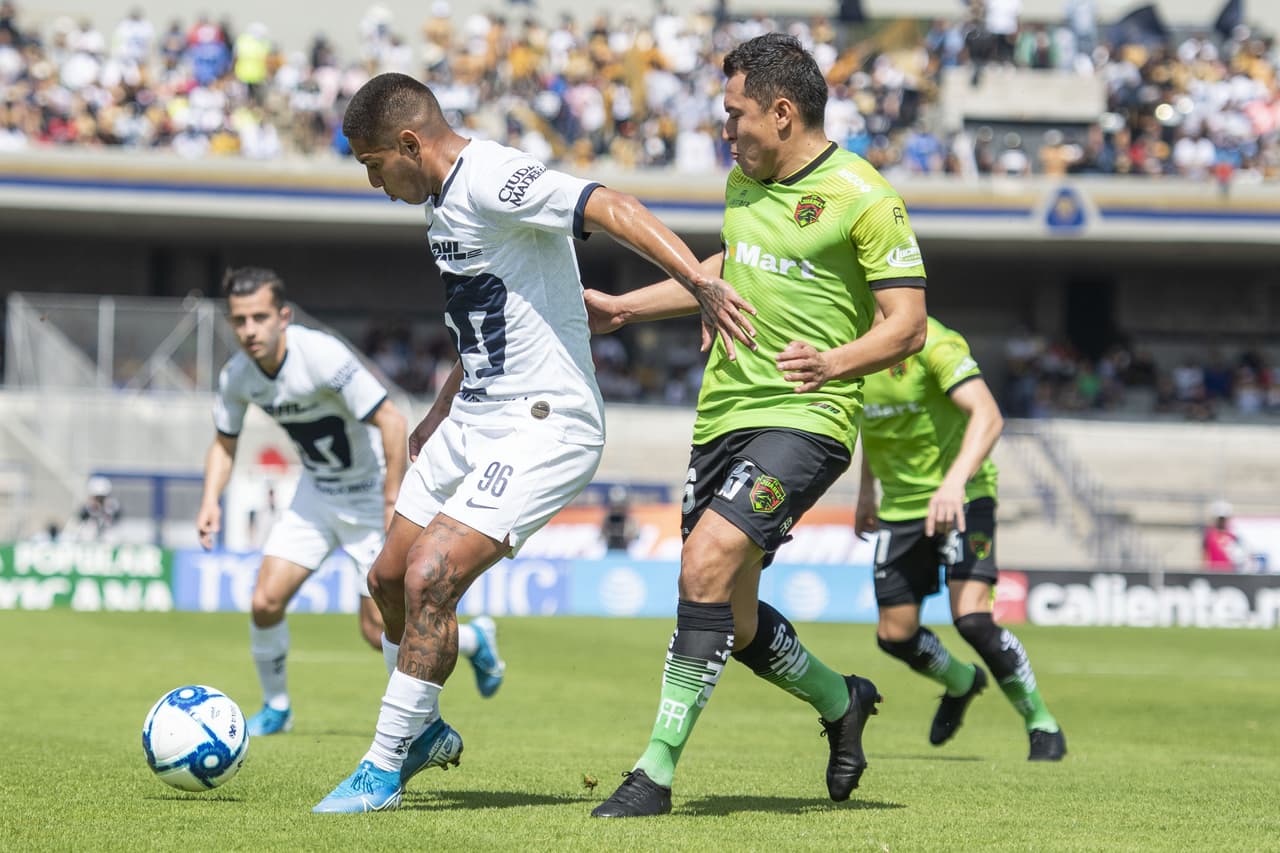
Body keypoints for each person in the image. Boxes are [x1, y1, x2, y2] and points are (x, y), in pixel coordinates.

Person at [312, 72, 753, 814]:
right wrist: (439, 410)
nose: (374, 181)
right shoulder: (442, 202)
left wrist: (696, 281)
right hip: (471, 416)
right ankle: (422, 728)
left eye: (373, 164)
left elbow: (608, 205)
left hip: (544, 421)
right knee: (387, 577)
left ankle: (383, 763)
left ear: (410, 144)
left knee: (430, 573)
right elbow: (486, 317)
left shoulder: (492, 176)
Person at [583, 33, 928, 818]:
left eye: (733, 113)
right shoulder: (746, 180)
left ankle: (653, 775)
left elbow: (906, 324)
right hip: (723, 418)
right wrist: (629, 306)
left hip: (809, 418)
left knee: (703, 562)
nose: (724, 128)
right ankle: (842, 699)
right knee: (733, 619)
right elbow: (731, 272)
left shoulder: (864, 195)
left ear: (781, 111)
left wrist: (834, 366)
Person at [196, 267, 508, 739]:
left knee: (375, 630)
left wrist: (390, 503)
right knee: (265, 601)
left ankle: (475, 640)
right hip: (316, 493)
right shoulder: (238, 375)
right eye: (240, 321)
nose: (249, 330)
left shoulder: (321, 356)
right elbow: (224, 441)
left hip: (369, 497)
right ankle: (277, 708)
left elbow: (392, 422)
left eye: (259, 317)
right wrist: (209, 501)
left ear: (283, 316)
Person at [854, 315, 1066, 761]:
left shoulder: (935, 343)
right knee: (894, 636)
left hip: (963, 497)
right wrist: (866, 491)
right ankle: (962, 682)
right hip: (899, 507)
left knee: (971, 619)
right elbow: (870, 424)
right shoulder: (849, 348)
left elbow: (988, 415)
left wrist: (954, 483)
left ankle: (1041, 723)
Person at [70, 475, 122, 541]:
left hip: (107, 533)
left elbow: (116, 519)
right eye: (97, 497)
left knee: (111, 537)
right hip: (91, 534)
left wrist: (106, 511)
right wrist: (92, 509)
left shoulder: (112, 506)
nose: (99, 500)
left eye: (101, 498)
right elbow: (80, 518)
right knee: (87, 533)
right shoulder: (88, 507)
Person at [1202, 500, 1247, 571]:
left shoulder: (1233, 535)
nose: (1221, 521)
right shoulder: (1209, 535)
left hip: (1230, 572)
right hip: (1213, 571)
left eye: (1223, 519)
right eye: (1220, 519)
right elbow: (1205, 555)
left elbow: (1239, 556)